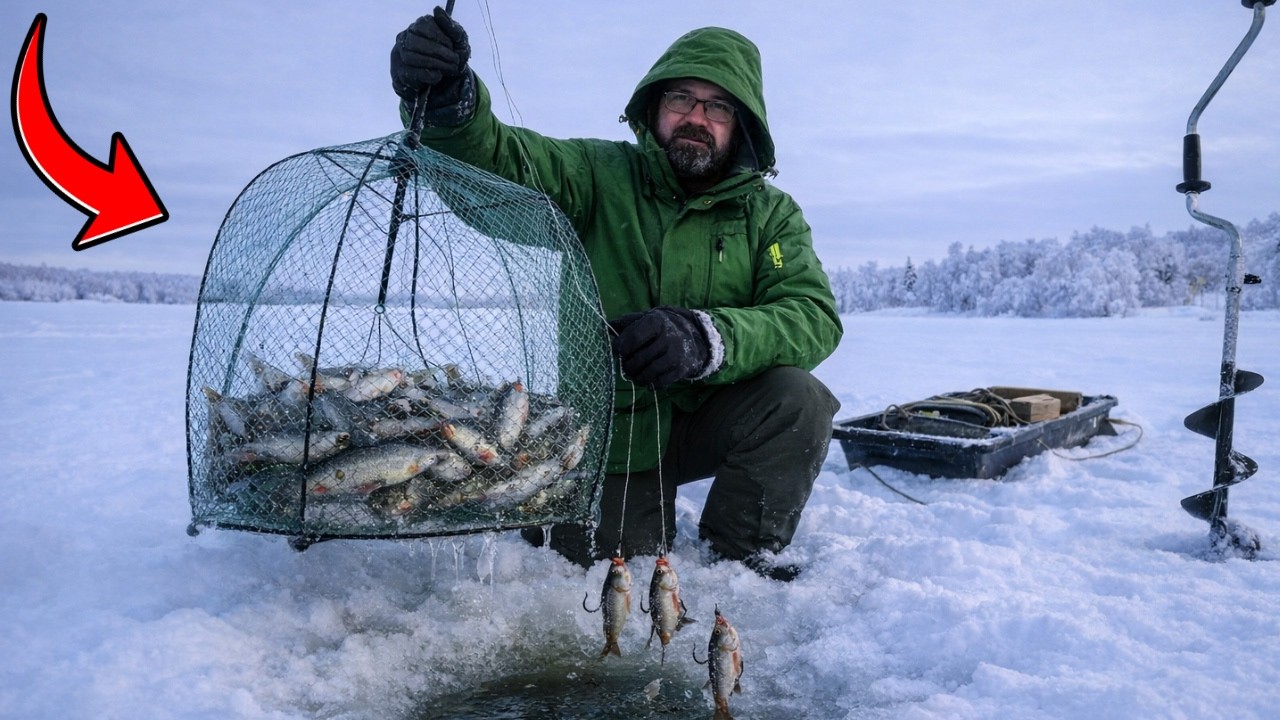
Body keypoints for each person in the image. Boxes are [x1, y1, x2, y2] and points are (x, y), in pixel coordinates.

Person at [390, 8, 842, 580]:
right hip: (613, 429)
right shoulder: (597, 173)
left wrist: (707, 338)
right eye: (681, 99)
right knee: (612, 576)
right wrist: (454, 103)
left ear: (741, 124)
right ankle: (565, 508)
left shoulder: (770, 214)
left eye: (718, 106)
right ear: (654, 107)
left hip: (710, 413)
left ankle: (740, 564)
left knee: (796, 398)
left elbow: (811, 314)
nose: (696, 117)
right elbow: (501, 160)